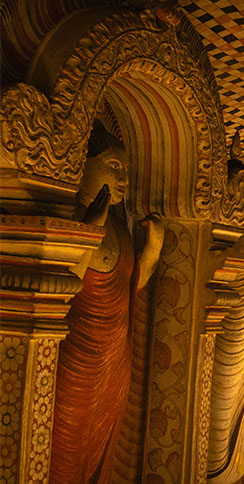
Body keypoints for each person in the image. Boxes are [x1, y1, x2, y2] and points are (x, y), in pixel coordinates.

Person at [51, 121, 164, 484]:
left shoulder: (117, 227)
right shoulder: (69, 218)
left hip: (114, 362)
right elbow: (58, 289)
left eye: (126, 171)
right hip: (73, 360)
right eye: (114, 166)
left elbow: (132, 288)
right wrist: (88, 232)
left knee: (97, 454)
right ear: (80, 164)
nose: (124, 179)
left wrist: (151, 252)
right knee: (61, 451)